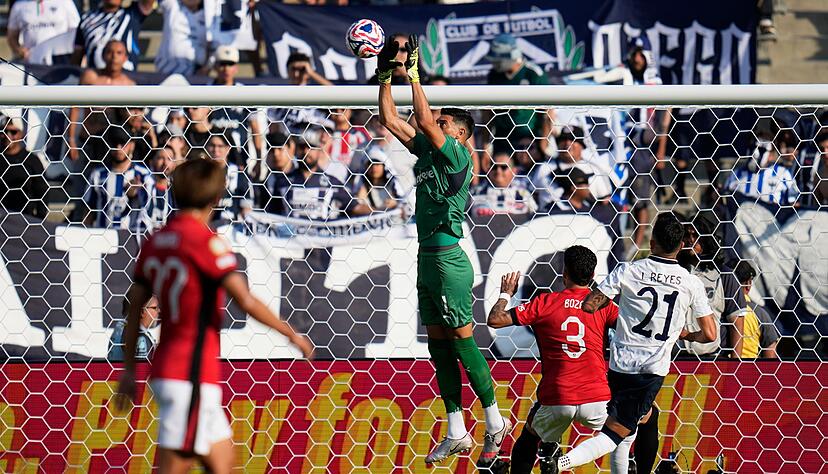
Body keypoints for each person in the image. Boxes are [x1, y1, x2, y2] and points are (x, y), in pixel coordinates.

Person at [115, 159, 313, 473]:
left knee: (223, 465)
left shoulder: (155, 242)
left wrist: (128, 370)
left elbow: (133, 311)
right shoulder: (207, 243)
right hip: (189, 376)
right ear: (216, 199)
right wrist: (292, 334)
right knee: (174, 466)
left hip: (174, 370)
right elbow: (244, 300)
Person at [376, 35, 511, 467]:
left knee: (462, 338)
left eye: (445, 119)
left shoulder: (456, 157)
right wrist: (385, 76)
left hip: (450, 260)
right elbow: (390, 117)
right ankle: (456, 428)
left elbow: (423, 120)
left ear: (460, 134)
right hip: (426, 259)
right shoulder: (431, 153)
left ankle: (493, 419)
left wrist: (412, 73)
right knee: (437, 344)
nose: (436, 119)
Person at [548, 213, 718, 473]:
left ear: (652, 241)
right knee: (615, 433)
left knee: (638, 423)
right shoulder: (690, 282)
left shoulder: (628, 270)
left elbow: (590, 305)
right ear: (681, 245)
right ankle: (561, 463)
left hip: (620, 366)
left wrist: (624, 306)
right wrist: (685, 334)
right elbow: (710, 334)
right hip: (649, 371)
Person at [486, 246, 634, 474]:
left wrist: (506, 293)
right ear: (593, 276)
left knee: (528, 439)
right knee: (629, 427)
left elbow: (495, 320)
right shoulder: (603, 306)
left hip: (557, 398)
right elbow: (632, 330)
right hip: (597, 398)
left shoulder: (545, 302)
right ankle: (635, 466)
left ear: (564, 274)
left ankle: (547, 453)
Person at [264, 126, 354, 219]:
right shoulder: (282, 182)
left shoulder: (332, 183)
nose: (306, 151)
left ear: (319, 150)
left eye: (311, 147)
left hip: (322, 232)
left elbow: (355, 207)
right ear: (296, 150)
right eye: (302, 147)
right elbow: (271, 215)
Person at [486, 33, 552, 152]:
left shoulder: (534, 74)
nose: (494, 64)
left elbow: (547, 112)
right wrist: (487, 146)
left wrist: (544, 141)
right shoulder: (494, 76)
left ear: (512, 55)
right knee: (502, 168)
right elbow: (488, 113)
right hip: (502, 139)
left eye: (497, 61)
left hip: (531, 138)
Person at [83, 128, 155, 233]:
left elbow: (151, 211)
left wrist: (137, 194)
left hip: (132, 239)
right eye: (114, 143)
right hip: (102, 237)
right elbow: (89, 212)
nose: (118, 148)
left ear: (132, 145)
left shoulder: (144, 175)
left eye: (123, 143)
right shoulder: (98, 175)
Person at [531, 126, 614, 212]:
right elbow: (533, 196)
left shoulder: (594, 170)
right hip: (548, 220)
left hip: (582, 221)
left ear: (582, 145)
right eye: (563, 140)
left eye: (573, 140)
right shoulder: (544, 168)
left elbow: (604, 202)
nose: (567, 143)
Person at [209, 46, 265, 168]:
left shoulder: (245, 93)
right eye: (222, 64)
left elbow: (255, 127)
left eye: (230, 64)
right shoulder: (205, 91)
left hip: (239, 160)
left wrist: (259, 160)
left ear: (236, 68)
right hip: (211, 157)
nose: (226, 68)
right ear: (215, 66)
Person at [73, 0, 156, 71]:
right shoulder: (86, 19)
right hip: (96, 82)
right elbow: (77, 55)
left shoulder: (133, 14)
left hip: (126, 81)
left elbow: (147, 3)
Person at [0, 116, 49, 218]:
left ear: (21, 134)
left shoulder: (31, 161)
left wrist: (38, 222)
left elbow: (42, 192)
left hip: (23, 222)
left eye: (13, 132)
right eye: (4, 131)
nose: (8, 136)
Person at [732, 261, 780, 359]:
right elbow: (770, 353)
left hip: (719, 367)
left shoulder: (716, 310)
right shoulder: (760, 314)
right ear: (748, 285)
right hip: (751, 370)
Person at [7, 0, 80, 65]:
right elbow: (12, 37)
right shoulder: (19, 5)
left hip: (61, 62)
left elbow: (78, 33)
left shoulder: (65, 2)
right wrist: (21, 51)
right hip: (32, 64)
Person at [204, 132, 254, 223]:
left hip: (232, 226)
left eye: (220, 146)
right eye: (212, 145)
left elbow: (247, 208)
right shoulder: (201, 173)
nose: (216, 150)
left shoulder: (238, 173)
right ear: (206, 147)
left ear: (228, 148)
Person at [470, 151, 536, 216]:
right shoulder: (474, 192)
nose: (498, 171)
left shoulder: (524, 195)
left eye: (504, 167)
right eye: (494, 167)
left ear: (514, 171)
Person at [155, 0, 209, 76]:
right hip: (165, 73)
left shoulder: (210, 16)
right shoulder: (172, 5)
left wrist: (205, 69)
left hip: (194, 77)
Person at [348, 148, 405, 216]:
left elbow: (404, 202)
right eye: (370, 164)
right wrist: (360, 199)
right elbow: (354, 209)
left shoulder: (392, 184)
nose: (374, 168)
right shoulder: (363, 186)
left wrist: (396, 203)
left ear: (384, 166)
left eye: (377, 164)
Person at [109, 295, 160, 361]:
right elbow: (141, 369)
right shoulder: (140, 338)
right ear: (142, 312)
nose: (159, 311)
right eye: (155, 308)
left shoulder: (119, 328)